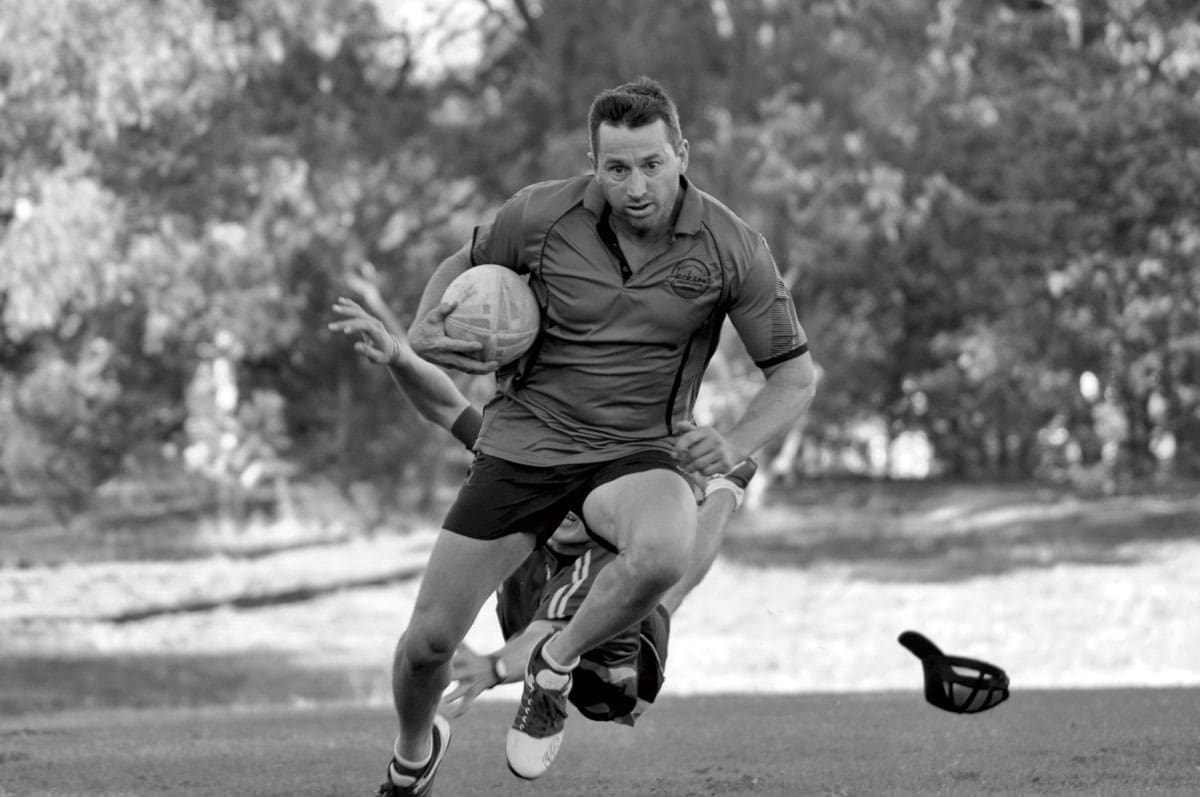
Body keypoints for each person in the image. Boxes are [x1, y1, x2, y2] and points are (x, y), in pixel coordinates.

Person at [374, 76, 816, 795]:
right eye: (616, 168)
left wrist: (734, 443)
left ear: (682, 153)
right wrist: (422, 327)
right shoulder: (539, 215)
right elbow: (466, 261)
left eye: (650, 164)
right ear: (593, 162)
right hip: (524, 444)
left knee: (665, 550)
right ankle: (414, 749)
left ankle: (554, 660)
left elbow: (795, 377)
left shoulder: (732, 247)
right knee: (425, 644)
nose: (634, 185)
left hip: (635, 450)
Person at [329, 294, 757, 732]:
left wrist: (493, 669)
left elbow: (546, 635)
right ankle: (722, 488)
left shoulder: (603, 543)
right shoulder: (527, 469)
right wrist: (398, 355)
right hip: (530, 603)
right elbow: (447, 407)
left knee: (665, 593)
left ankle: (724, 490)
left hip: (611, 675)